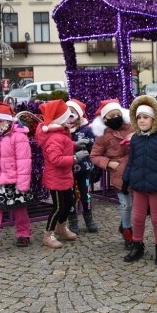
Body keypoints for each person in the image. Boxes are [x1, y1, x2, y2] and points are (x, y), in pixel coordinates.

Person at [121, 95, 157, 265]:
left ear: (155, 119)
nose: (141, 121)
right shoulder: (136, 139)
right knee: (137, 218)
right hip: (139, 186)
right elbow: (132, 162)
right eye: (138, 117)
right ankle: (137, 245)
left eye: (145, 117)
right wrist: (126, 180)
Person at [0, 102, 33, 255]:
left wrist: (22, 184)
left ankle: (24, 233)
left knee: (20, 208)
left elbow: (24, 161)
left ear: (8, 121)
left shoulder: (19, 136)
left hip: (15, 179)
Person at [35, 100, 79, 249]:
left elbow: (65, 145)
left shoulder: (61, 133)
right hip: (56, 179)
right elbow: (55, 159)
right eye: (68, 118)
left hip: (64, 177)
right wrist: (74, 158)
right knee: (59, 207)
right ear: (60, 121)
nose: (71, 121)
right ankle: (48, 234)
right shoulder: (54, 138)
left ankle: (62, 227)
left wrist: (76, 145)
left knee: (68, 204)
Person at [90, 99, 134, 248]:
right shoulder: (102, 136)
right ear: (105, 119)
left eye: (118, 113)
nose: (115, 117)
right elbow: (94, 155)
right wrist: (108, 163)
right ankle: (128, 234)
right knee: (126, 205)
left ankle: (126, 225)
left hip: (136, 171)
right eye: (111, 115)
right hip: (119, 175)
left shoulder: (131, 127)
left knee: (136, 205)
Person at [65, 99, 98, 233]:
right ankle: (73, 221)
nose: (70, 116)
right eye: (68, 113)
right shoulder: (62, 130)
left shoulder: (86, 130)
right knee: (70, 195)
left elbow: (93, 147)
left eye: (73, 112)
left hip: (83, 168)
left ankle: (89, 219)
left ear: (79, 115)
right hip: (67, 169)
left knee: (86, 194)